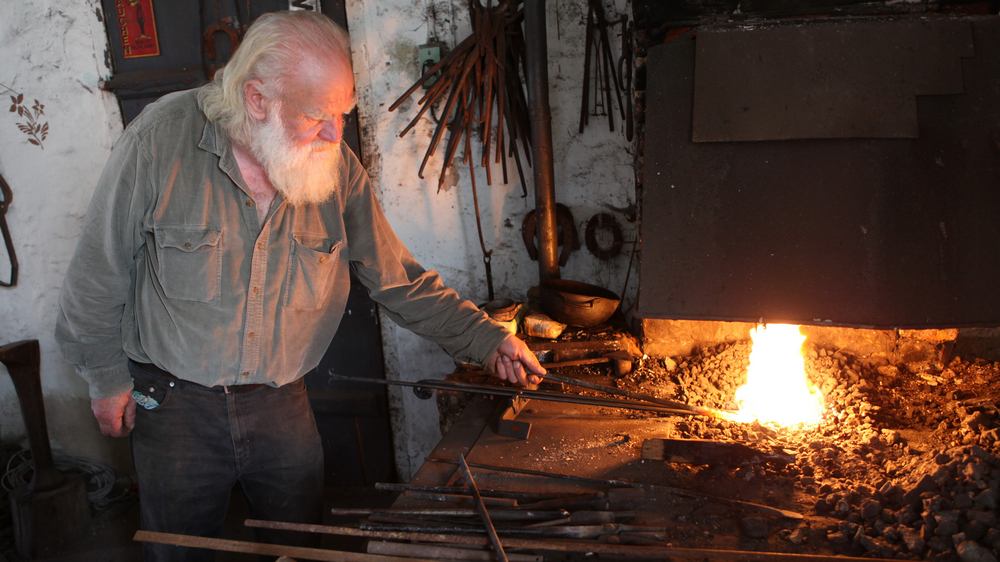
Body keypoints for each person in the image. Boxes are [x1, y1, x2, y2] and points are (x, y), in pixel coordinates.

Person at [55, 10, 545, 561]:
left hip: (281, 402)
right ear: (257, 100)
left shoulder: (336, 168)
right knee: (179, 550)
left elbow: (399, 280)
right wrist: (105, 379)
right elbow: (97, 272)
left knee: (300, 547)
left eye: (342, 114)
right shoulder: (159, 141)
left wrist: (486, 339)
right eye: (317, 116)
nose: (336, 133)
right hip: (175, 406)